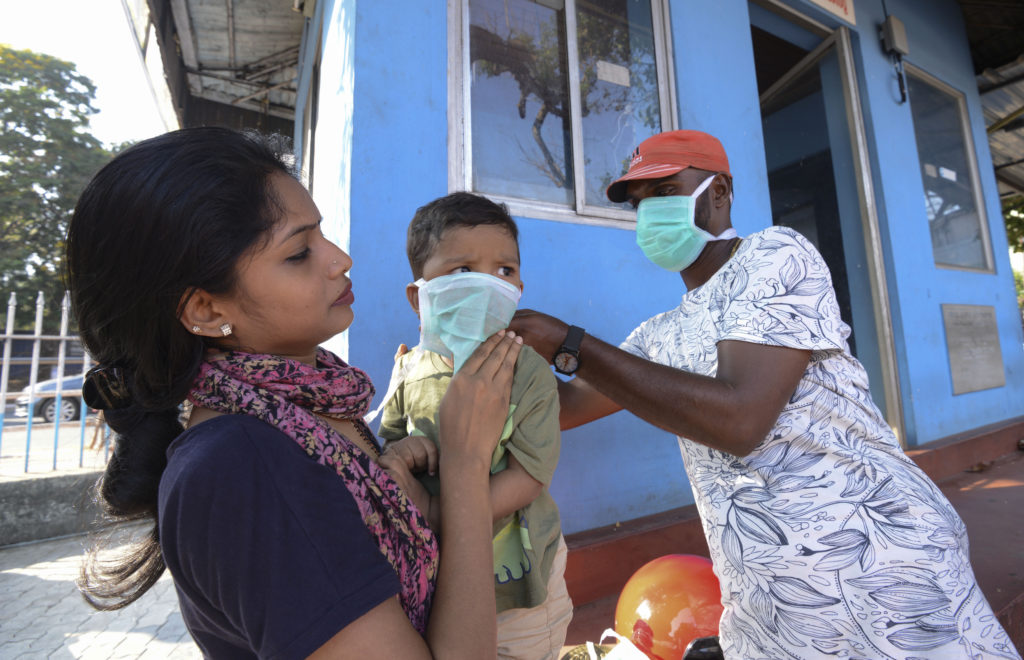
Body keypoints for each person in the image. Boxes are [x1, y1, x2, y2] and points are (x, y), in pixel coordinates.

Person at [509, 130, 1020, 659]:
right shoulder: (658, 336)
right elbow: (563, 406)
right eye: (639, 204)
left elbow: (740, 420)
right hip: (771, 603)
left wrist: (570, 342)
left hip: (882, 570)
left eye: (664, 193)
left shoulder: (775, 256)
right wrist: (473, 353)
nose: (648, 215)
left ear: (719, 193)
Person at [69, 126, 524, 659]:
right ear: (207, 311)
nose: (340, 259)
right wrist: (466, 464)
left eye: (322, 233)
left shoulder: (314, 408)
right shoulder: (242, 467)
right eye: (298, 253)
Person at [375, 192, 572, 660]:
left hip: (524, 589)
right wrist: (403, 454)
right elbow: (392, 446)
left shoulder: (528, 371)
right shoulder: (409, 367)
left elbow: (530, 474)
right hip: (434, 582)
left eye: (504, 271)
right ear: (419, 298)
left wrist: (429, 506)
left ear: (519, 289)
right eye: (462, 271)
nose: (487, 285)